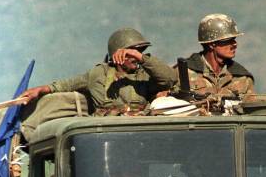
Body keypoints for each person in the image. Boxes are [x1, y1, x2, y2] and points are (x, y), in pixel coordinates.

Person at [22, 28, 177, 115]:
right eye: (131, 53)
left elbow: (170, 79)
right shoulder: (98, 74)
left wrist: (140, 57)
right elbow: (65, 85)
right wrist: (40, 90)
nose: (135, 57)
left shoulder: (145, 75)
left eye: (140, 51)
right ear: (117, 54)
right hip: (104, 135)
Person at [174, 13, 254, 98]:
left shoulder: (242, 77)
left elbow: (251, 108)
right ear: (212, 44)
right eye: (228, 40)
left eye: (234, 39)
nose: (235, 44)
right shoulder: (183, 73)